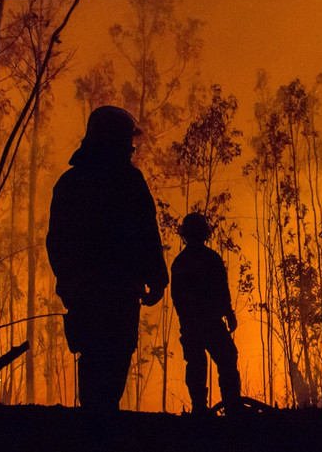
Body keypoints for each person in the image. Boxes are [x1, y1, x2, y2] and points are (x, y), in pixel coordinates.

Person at [46, 106, 168, 411]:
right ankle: (102, 427)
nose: (131, 146)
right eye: (127, 139)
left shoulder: (70, 183)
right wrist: (156, 277)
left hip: (88, 291)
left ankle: (94, 426)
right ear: (113, 139)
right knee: (114, 355)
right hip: (119, 291)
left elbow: (57, 242)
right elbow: (146, 232)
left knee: (93, 355)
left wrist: (68, 282)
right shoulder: (129, 182)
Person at [171, 212, 241, 415]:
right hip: (209, 323)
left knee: (197, 363)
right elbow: (222, 290)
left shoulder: (181, 262)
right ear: (205, 233)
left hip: (195, 324)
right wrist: (228, 314)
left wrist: (189, 320)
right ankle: (231, 406)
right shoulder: (211, 259)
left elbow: (178, 298)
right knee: (225, 359)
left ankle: (201, 407)